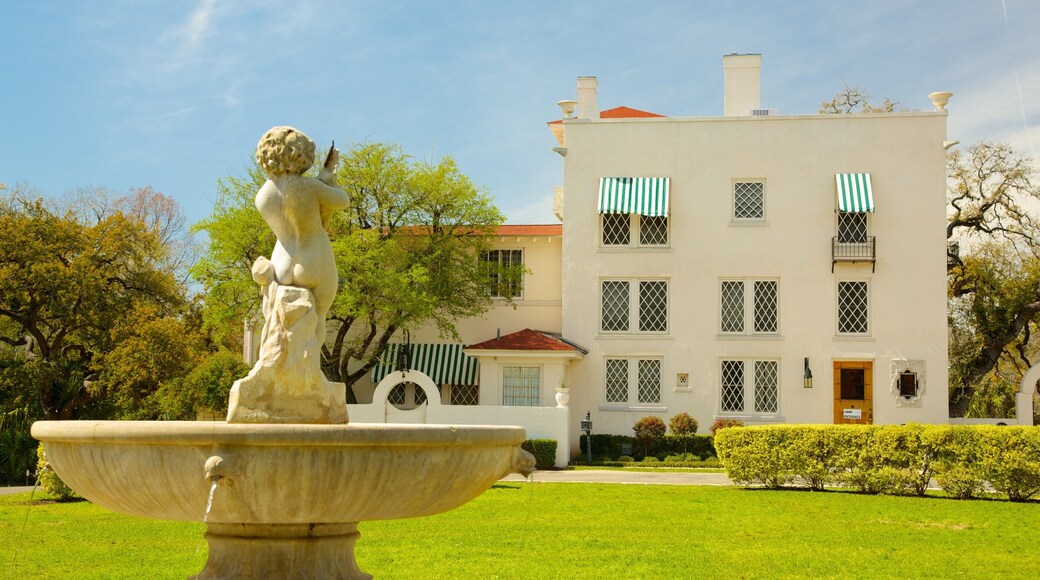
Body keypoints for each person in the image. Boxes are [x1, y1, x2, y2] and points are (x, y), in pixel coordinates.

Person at [253, 126, 349, 344]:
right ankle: (309, 362)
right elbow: (342, 201)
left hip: (281, 263)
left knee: (279, 327)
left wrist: (323, 178)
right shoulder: (309, 186)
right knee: (318, 319)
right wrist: (326, 180)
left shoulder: (263, 196)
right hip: (313, 259)